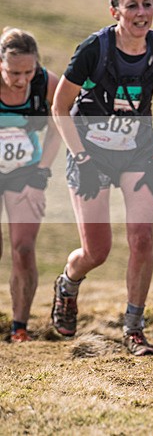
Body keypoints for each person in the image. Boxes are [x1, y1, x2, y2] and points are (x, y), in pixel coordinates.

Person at [50, 0, 153, 355]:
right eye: (132, 6)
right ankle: (68, 283)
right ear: (115, 11)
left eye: (147, 4)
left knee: (142, 238)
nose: (142, 13)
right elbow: (60, 108)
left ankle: (134, 329)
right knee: (98, 251)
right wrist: (82, 159)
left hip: (138, 152)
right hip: (90, 151)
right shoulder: (94, 49)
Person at [0, 28, 61, 343]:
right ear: (1, 64)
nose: (21, 79)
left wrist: (40, 175)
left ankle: (19, 327)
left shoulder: (46, 83)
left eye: (28, 71)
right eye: (13, 72)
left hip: (25, 171)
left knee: (23, 248)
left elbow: (59, 125)